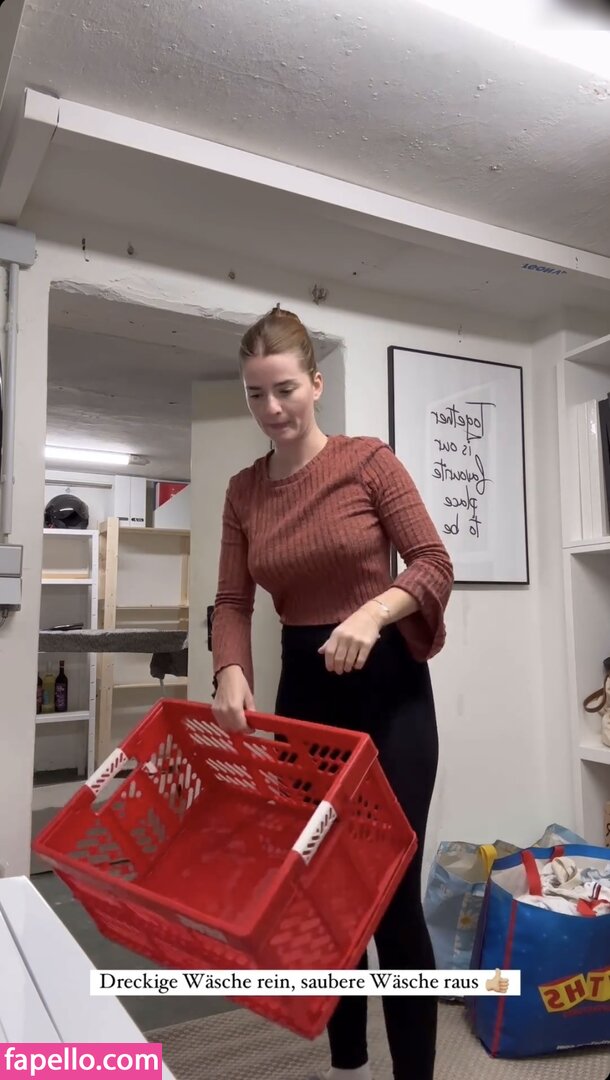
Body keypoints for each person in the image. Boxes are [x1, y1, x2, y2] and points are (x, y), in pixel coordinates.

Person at [211, 305, 454, 1080]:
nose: (272, 408)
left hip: (391, 696)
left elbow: (432, 563)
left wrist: (375, 613)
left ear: (316, 384)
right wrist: (230, 668)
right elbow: (233, 601)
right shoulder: (244, 492)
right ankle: (349, 1063)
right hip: (306, 695)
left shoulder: (367, 462)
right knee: (324, 890)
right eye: (256, 394)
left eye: (284, 388)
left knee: (390, 892)